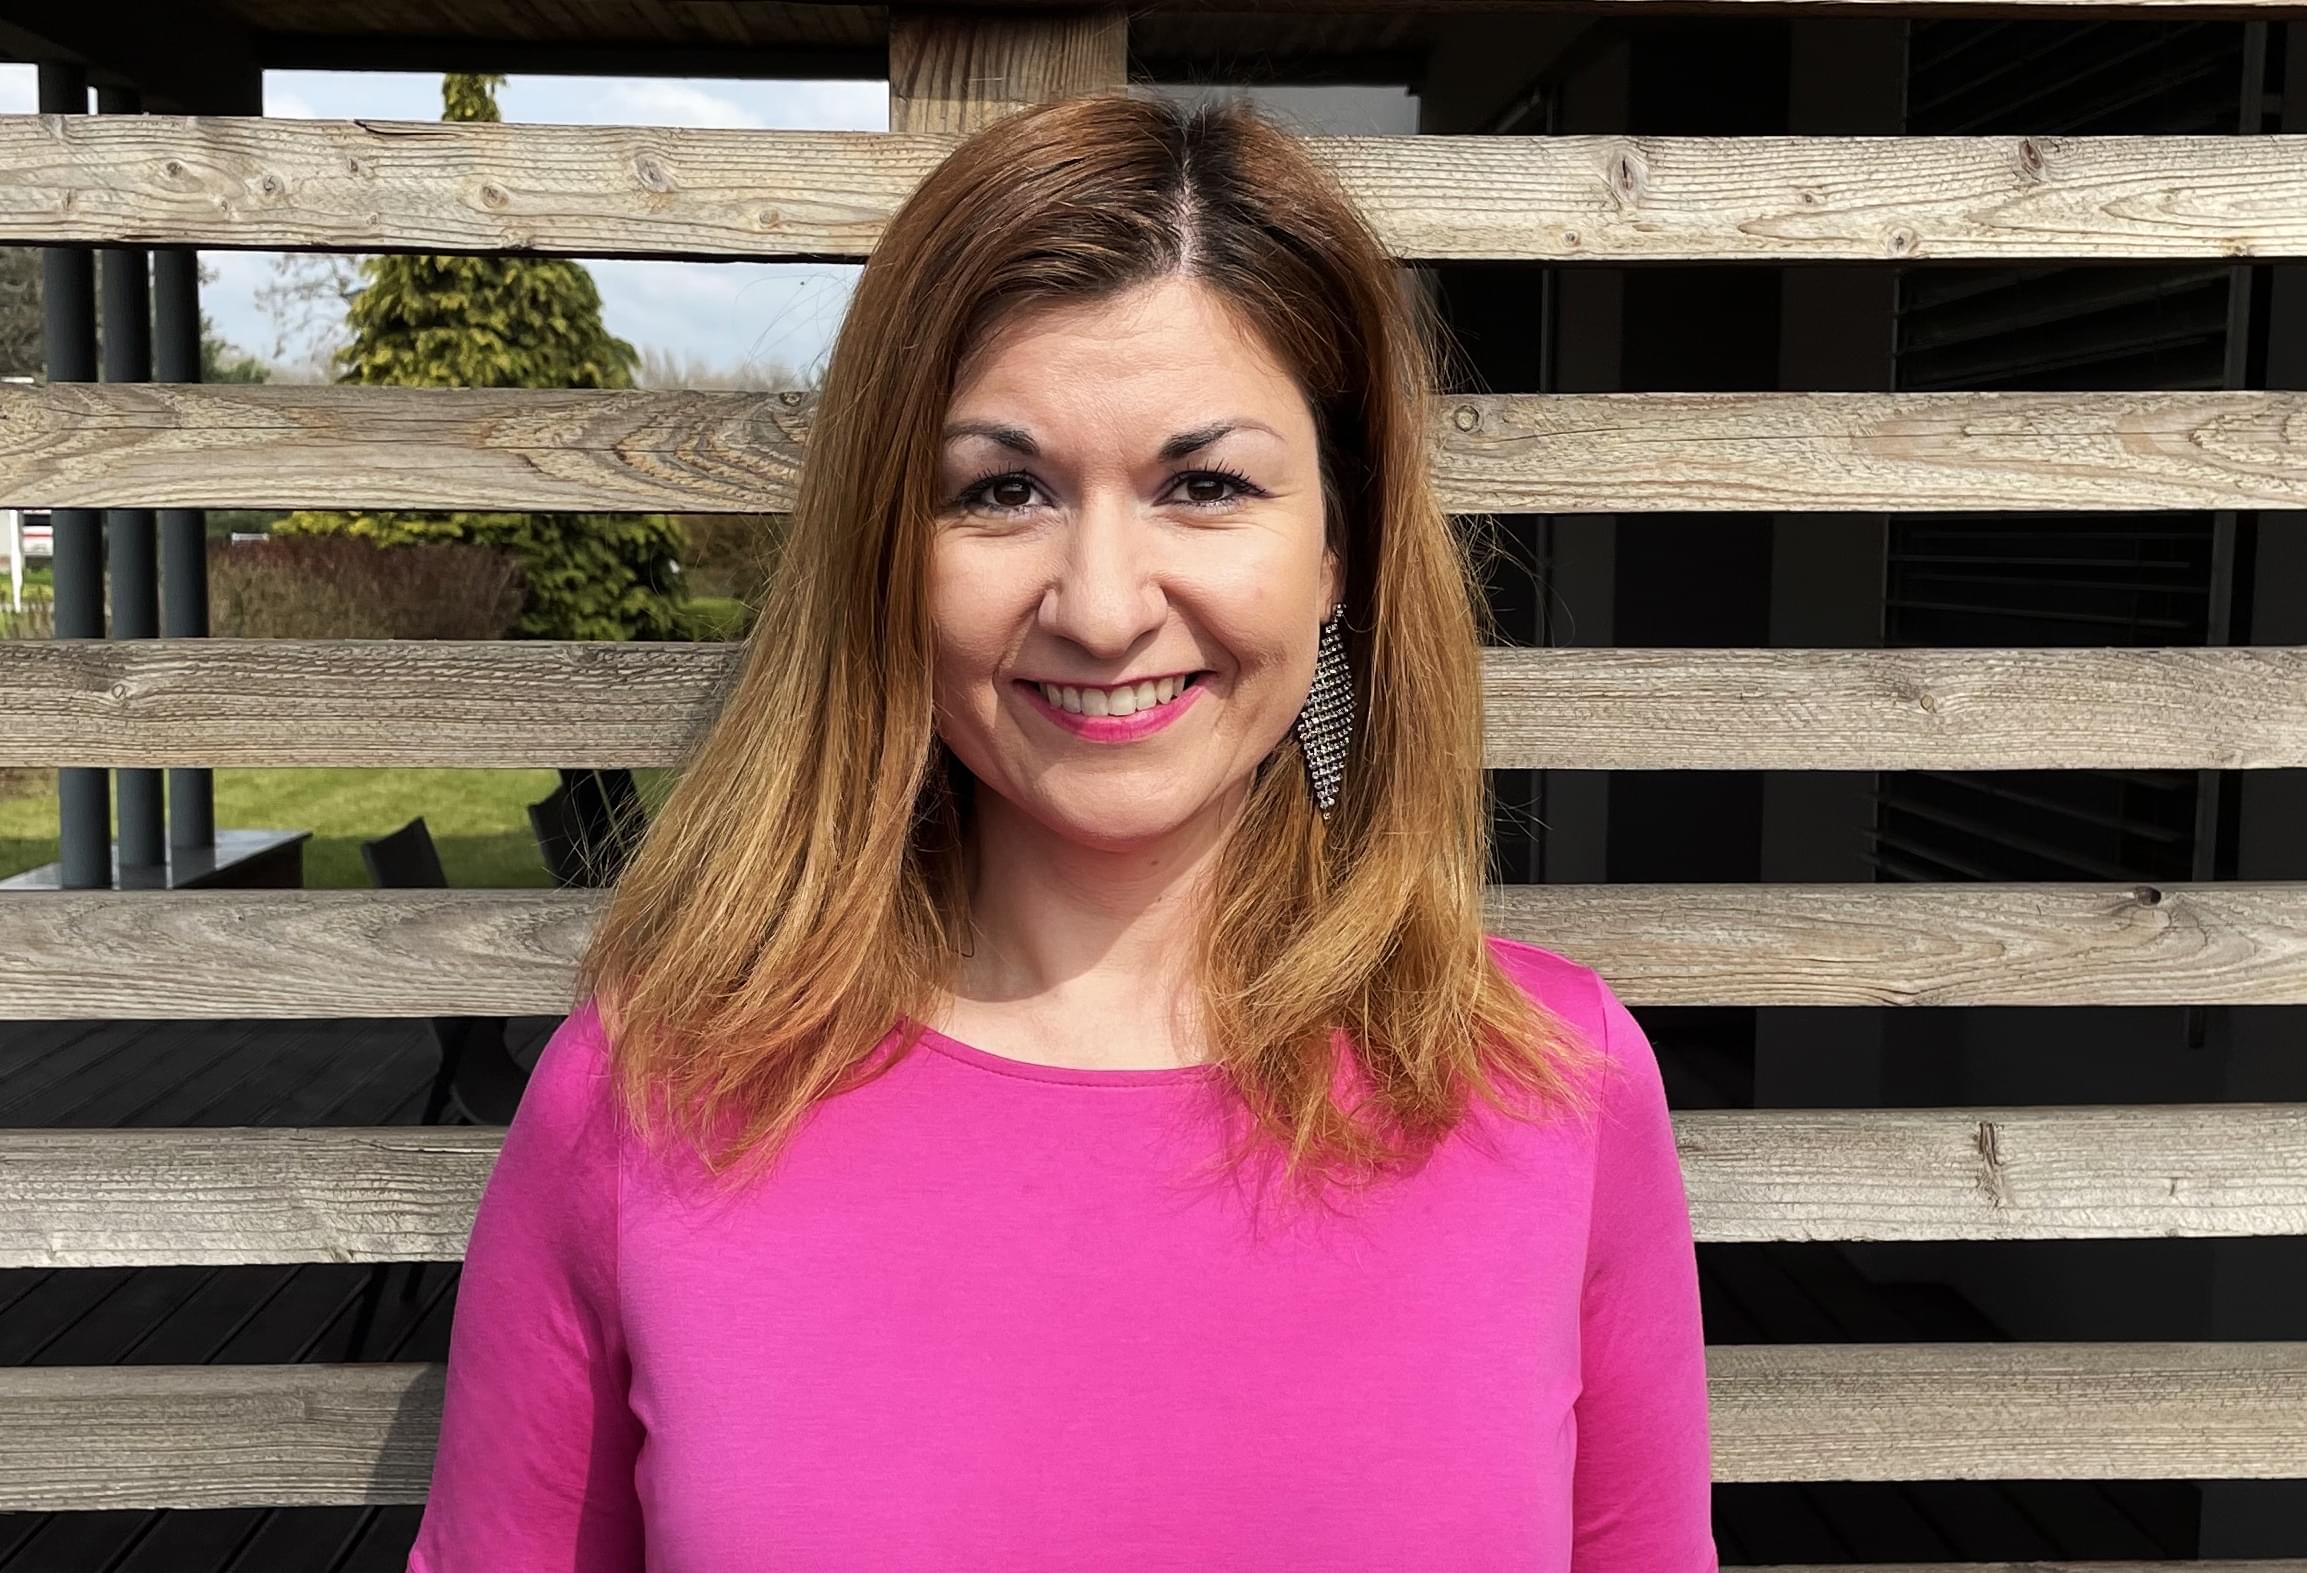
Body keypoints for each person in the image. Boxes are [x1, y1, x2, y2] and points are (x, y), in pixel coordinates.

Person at [408, 89, 1716, 1573]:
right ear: (887, 552)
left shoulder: (1556, 1090)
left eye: (1204, 485)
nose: (1101, 607)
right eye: (1003, 490)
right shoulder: (652, 1094)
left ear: (1339, 547)